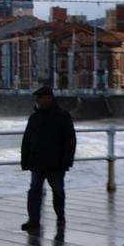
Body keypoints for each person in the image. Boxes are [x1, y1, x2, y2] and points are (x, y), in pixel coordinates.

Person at [20, 86, 76, 232]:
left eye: (40, 97)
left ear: (49, 98)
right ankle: (33, 220)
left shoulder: (63, 116)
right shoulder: (34, 117)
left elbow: (70, 140)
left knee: (58, 191)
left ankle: (60, 216)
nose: (38, 100)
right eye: (37, 98)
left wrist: (67, 161)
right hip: (37, 162)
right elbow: (26, 140)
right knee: (34, 191)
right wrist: (25, 161)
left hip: (56, 163)